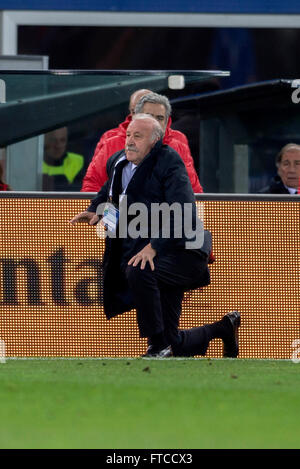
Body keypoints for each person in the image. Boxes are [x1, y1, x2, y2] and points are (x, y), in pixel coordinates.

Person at [70, 114, 240, 358]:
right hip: (159, 254)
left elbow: (184, 212)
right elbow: (109, 189)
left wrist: (153, 246)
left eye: (137, 136)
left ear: (155, 141)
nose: (129, 141)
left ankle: (157, 346)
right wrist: (95, 208)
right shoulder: (117, 161)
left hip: (184, 252)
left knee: (138, 269)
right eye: (128, 134)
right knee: (174, 343)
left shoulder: (169, 161)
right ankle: (223, 328)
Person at [81, 91, 203, 193]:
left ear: (166, 121)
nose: (155, 122)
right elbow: (92, 185)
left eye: (160, 118)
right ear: (135, 117)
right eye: (149, 116)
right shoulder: (111, 144)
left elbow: (193, 190)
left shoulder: (177, 147)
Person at [43, 127, 85, 191]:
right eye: (54, 140)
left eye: (62, 140)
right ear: (45, 141)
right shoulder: (34, 162)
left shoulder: (78, 160)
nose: (58, 145)